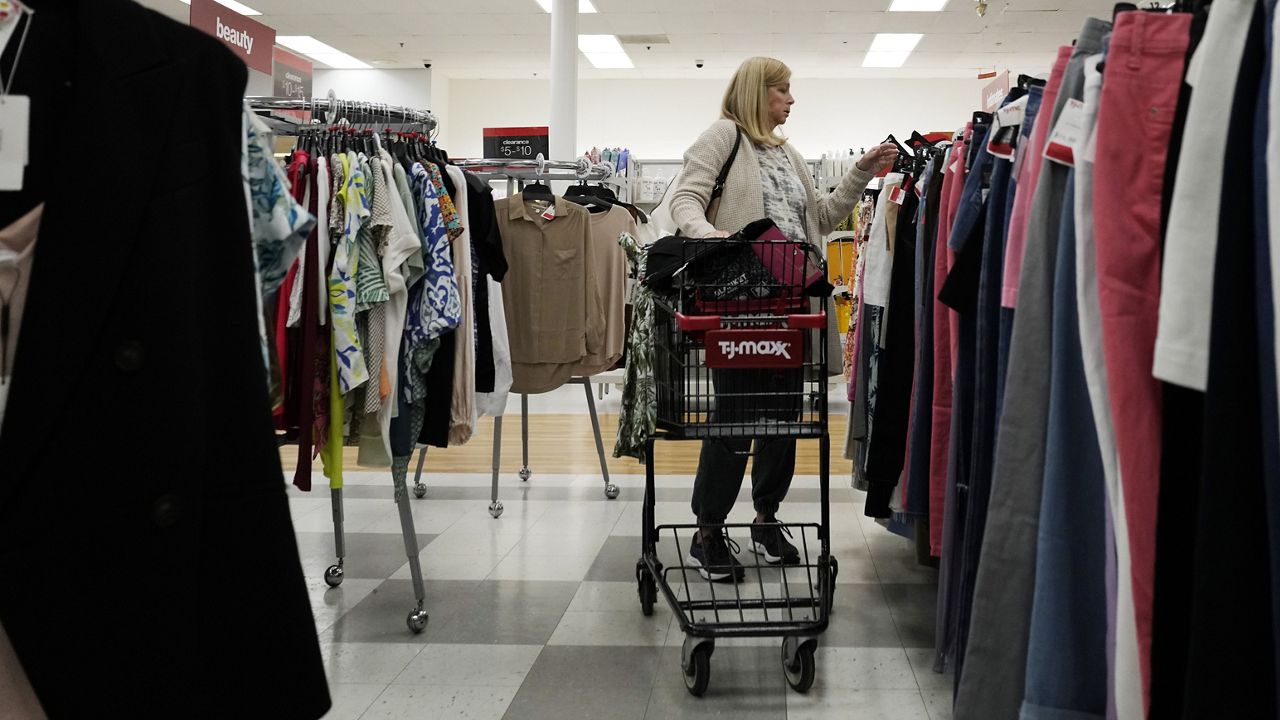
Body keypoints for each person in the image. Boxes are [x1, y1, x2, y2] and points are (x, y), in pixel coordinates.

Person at [669, 56, 898, 582]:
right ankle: (707, 531)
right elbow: (686, 198)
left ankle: (766, 518)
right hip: (740, 307)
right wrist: (716, 242)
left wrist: (862, 172)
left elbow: (817, 217)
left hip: (794, 310)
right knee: (734, 419)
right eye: (782, 91)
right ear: (757, 92)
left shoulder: (787, 153)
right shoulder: (723, 137)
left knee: (783, 421)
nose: (791, 101)